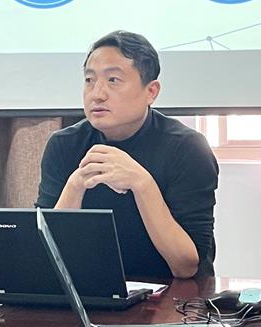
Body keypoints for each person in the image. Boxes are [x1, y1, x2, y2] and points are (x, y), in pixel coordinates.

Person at [35, 30, 219, 278]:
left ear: (151, 91)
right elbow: (44, 258)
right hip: (93, 291)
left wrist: (142, 184)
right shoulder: (64, 144)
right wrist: (76, 185)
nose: (97, 94)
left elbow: (186, 266)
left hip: (174, 294)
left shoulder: (187, 148)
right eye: (89, 80)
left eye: (113, 80)